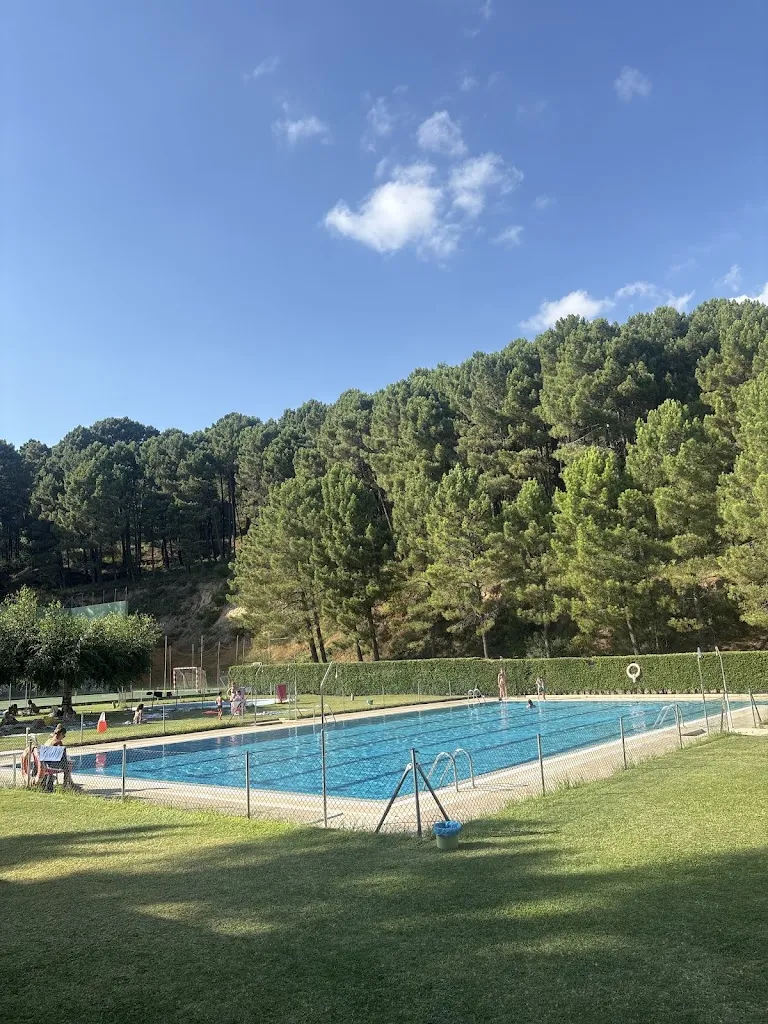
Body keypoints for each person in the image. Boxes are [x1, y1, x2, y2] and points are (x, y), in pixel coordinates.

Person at [47, 724, 80, 790]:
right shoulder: (58, 743)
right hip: (53, 765)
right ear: (61, 734)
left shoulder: (48, 741)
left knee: (68, 764)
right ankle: (65, 785)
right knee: (68, 767)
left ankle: (70, 783)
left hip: (45, 763)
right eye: (64, 735)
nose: (64, 737)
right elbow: (63, 756)